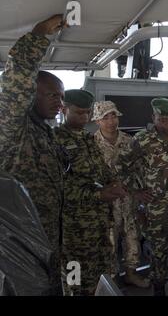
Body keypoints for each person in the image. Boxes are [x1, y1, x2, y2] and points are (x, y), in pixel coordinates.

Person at [0, 15, 67, 295]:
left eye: (62, 97)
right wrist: (37, 36)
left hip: (47, 241)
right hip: (20, 248)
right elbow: (14, 86)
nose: (60, 103)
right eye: (52, 95)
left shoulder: (44, 132)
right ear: (32, 95)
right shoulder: (14, 127)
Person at [118, 98, 168, 296]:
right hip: (156, 205)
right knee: (158, 248)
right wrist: (136, 192)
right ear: (153, 118)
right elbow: (122, 167)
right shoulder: (142, 139)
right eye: (162, 119)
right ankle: (159, 287)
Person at [55, 90, 126, 296]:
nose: (84, 118)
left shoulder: (87, 138)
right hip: (73, 231)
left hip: (100, 224)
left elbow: (101, 171)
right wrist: (98, 195)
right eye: (79, 113)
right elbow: (59, 187)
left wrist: (113, 183)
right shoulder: (54, 140)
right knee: (74, 280)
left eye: (87, 113)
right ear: (63, 109)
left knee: (101, 277)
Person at [92, 101, 149, 288]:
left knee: (132, 238)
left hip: (129, 200)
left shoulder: (129, 141)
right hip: (106, 205)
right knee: (109, 243)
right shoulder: (91, 144)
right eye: (105, 117)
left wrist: (140, 193)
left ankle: (131, 274)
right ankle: (111, 281)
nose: (111, 121)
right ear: (97, 121)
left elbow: (139, 170)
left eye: (113, 116)